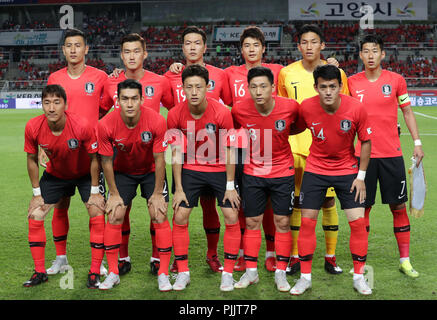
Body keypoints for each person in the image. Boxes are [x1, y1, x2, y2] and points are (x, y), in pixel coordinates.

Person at [289, 65, 372, 296]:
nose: (328, 91)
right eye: (323, 87)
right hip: (315, 169)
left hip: (347, 170)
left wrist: (361, 177)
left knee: (357, 224)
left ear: (340, 86)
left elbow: (366, 141)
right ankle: (305, 278)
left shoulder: (356, 108)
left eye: (332, 86)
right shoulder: (306, 107)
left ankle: (358, 277)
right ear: (315, 87)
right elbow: (293, 127)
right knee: (307, 223)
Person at [348, 34, 424, 278]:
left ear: (382, 54)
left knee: (399, 206)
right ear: (360, 55)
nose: (370, 55)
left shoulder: (396, 80)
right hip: (363, 156)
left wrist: (417, 142)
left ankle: (405, 260)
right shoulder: (351, 83)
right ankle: (360, 262)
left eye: (375, 51)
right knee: (362, 209)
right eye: (366, 51)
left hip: (392, 154)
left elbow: (408, 112)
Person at [100, 33, 174, 276]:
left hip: (152, 162)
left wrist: (178, 69)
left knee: (158, 210)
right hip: (121, 162)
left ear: (145, 54)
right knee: (121, 209)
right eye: (127, 52)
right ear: (121, 55)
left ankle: (157, 257)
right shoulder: (110, 82)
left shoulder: (161, 81)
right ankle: (123, 257)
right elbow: (99, 114)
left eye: (136, 51)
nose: (132, 56)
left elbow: (175, 109)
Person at [277, 24, 349, 275]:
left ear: (322, 45)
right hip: (295, 148)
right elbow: (283, 108)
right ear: (298, 46)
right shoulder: (286, 73)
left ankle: (330, 256)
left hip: (326, 149)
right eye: (304, 42)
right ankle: (296, 256)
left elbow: (346, 107)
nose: (309, 46)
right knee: (297, 202)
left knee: (329, 201)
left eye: (314, 42)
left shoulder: (335, 74)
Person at [164, 26, 232, 273]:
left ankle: (212, 254)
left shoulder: (221, 75)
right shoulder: (170, 76)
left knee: (210, 206)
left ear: (205, 47)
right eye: (187, 43)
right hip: (186, 160)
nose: (192, 48)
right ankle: (178, 257)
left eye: (197, 43)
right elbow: (156, 103)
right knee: (180, 209)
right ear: (182, 48)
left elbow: (232, 108)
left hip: (215, 157)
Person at [167, 65, 240, 292]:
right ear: (183, 88)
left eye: (199, 86)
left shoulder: (222, 112)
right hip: (191, 167)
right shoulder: (174, 114)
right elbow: (176, 153)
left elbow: (230, 151)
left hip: (219, 167)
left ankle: (227, 274)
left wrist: (230, 186)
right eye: (189, 87)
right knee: (180, 214)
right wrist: (178, 188)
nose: (194, 91)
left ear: (208, 87)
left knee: (230, 213)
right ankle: (183, 272)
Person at [23, 84, 105, 289]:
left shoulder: (81, 125)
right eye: (47, 102)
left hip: (86, 174)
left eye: (56, 102)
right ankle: (40, 271)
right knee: (35, 214)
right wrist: (36, 193)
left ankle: (95, 270)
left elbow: (95, 158)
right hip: (56, 175)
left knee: (97, 211)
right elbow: (32, 159)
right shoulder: (33, 126)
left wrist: (95, 191)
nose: (51, 108)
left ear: (65, 105)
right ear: (41, 105)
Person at [231, 66, 301, 292]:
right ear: (248, 89)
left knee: (282, 223)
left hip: (282, 172)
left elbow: (297, 127)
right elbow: (231, 136)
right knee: (252, 222)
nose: (258, 91)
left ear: (273, 88)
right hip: (253, 173)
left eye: (263, 86)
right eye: (253, 87)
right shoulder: (239, 110)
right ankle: (251, 272)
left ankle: (281, 272)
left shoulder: (290, 107)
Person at [44, 28, 108, 277]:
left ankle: (98, 261)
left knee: (95, 208)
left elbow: (107, 106)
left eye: (77, 45)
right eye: (68, 45)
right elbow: (49, 115)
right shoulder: (54, 78)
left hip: (90, 156)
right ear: (63, 50)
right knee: (60, 207)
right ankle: (61, 258)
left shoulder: (100, 76)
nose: (73, 50)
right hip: (61, 155)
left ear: (86, 49)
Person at [224, 25, 283, 272]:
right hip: (239, 147)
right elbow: (226, 102)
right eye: (246, 46)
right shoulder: (230, 74)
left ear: (263, 48)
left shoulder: (278, 71)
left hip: (269, 144)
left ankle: (270, 253)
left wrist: (328, 60)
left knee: (268, 202)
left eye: (255, 45)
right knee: (239, 200)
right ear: (241, 49)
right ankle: (240, 252)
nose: (251, 49)